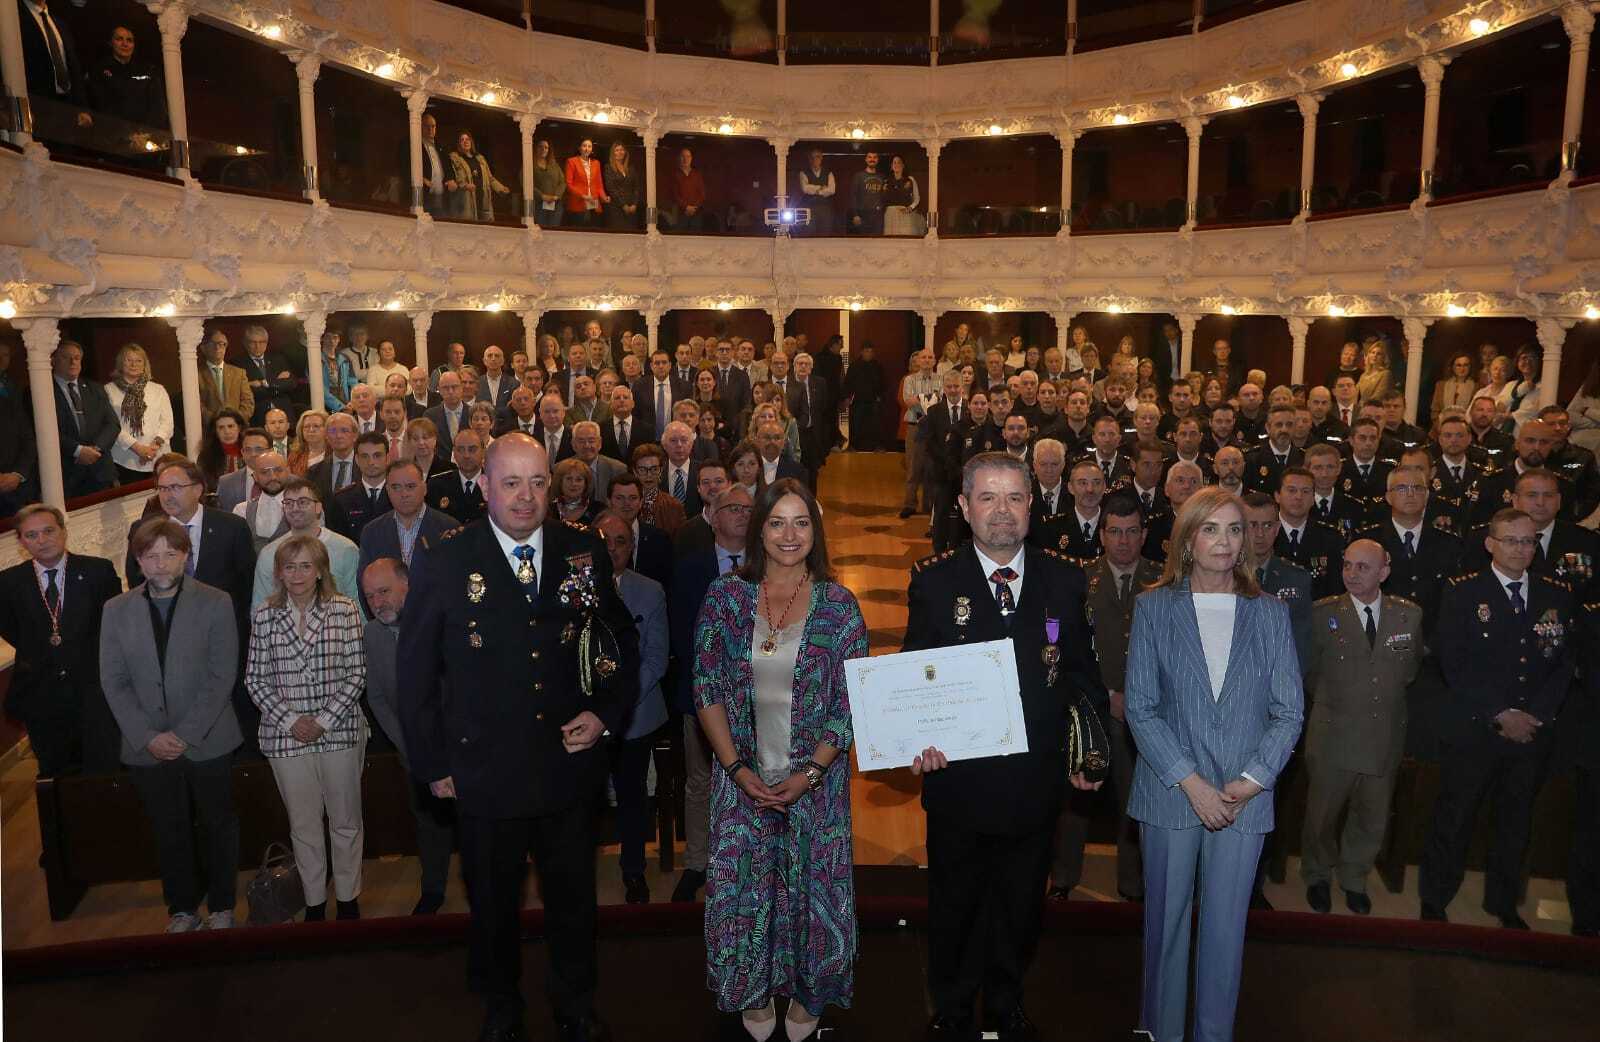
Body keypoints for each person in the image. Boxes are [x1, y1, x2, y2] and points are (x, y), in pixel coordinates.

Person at [398, 433, 639, 1042]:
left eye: (537, 482)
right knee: (493, 906)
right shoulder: (447, 557)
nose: (526, 497)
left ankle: (575, 1005)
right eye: (510, 483)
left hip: (567, 764)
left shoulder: (581, 551)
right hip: (482, 770)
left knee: (573, 902)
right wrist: (432, 763)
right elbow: (416, 671)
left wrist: (606, 714)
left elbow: (616, 645)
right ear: (483, 487)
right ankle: (502, 1008)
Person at [903, 453, 1106, 1042]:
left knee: (1021, 908)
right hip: (958, 783)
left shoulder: (1066, 578)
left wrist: (1089, 751)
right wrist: (919, 738)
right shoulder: (934, 579)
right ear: (964, 508)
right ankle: (954, 1006)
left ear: (1033, 505)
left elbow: (1082, 677)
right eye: (987, 499)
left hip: (1034, 782)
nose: (1002, 512)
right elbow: (916, 676)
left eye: (1014, 498)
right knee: (955, 905)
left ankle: (1007, 1000)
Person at [1123, 487, 1304, 1042]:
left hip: (1244, 801)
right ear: (1187, 539)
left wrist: (1251, 781)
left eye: (1234, 529)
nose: (1225, 542)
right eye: (1211, 529)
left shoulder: (1271, 612)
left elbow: (1290, 710)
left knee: (1226, 932)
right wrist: (1193, 784)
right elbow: (1140, 706)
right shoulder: (1154, 606)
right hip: (1172, 794)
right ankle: (1162, 1032)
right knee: (1166, 928)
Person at [691, 479, 866, 1041]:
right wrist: (737, 769)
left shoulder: (840, 605)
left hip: (814, 782)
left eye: (801, 523)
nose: (789, 536)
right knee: (745, 889)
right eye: (777, 522)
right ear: (758, 528)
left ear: (815, 533)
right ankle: (751, 990)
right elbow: (707, 688)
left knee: (813, 889)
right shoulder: (725, 597)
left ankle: (810, 992)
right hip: (740, 777)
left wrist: (810, 772)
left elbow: (849, 705)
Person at [1419, 509, 1577, 928]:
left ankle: (1503, 902)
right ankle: (1435, 899)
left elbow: (1563, 662)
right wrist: (1500, 713)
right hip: (1476, 729)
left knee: (1516, 822)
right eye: (1511, 540)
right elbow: (1454, 661)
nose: (1521, 549)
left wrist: (1536, 715)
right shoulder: (1463, 591)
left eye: (1529, 541)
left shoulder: (1555, 593)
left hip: (1532, 734)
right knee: (1455, 818)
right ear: (1490, 543)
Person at [100, 518, 241, 933]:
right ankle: (181, 908)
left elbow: (222, 675)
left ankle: (221, 907)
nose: (160, 564)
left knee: (217, 825)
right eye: (150, 556)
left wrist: (184, 734)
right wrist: (148, 736)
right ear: (138, 560)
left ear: (185, 556)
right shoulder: (115, 609)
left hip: (208, 737)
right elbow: (113, 680)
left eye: (170, 554)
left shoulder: (216, 602)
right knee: (169, 828)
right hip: (146, 744)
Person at [247, 535, 368, 922]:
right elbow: (255, 679)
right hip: (286, 738)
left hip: (339, 731)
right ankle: (314, 902)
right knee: (303, 825)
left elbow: (357, 673)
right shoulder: (265, 615)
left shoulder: (345, 609)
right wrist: (291, 721)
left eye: (305, 566)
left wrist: (323, 721)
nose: (297, 574)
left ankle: (348, 898)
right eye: (289, 566)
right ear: (278, 573)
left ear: (320, 571)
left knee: (345, 820)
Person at [1299, 539, 1423, 916]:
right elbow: (1308, 672)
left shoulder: (1409, 615)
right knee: (1321, 816)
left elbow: (1411, 669)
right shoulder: (1322, 614)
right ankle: (1317, 875)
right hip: (1334, 733)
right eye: (1347, 565)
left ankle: (1354, 877)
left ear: (1384, 571)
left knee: (1371, 817)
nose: (1352, 574)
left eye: (1363, 567)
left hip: (1384, 735)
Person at [1051, 492, 1160, 903]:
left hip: (1145, 713)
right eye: (1115, 531)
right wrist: (1108, 694)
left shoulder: (1164, 580)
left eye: (1132, 532)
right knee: (1076, 801)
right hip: (1090, 711)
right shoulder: (1078, 578)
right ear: (1102, 534)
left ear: (1144, 533)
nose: (1124, 541)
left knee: (1135, 802)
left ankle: (1132, 887)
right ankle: (1063, 880)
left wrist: (1136, 698)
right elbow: (1068, 649)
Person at [667, 483, 754, 904]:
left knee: (755, 778)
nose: (742, 514)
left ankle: (749, 861)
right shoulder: (688, 568)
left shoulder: (771, 566)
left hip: (758, 701)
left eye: (749, 508)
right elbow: (681, 637)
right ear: (714, 517)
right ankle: (697, 863)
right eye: (732, 508)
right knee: (700, 783)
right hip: (701, 697)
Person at [360, 556, 456, 914]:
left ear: (408, 585)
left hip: (460, 746)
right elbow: (378, 699)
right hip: (412, 751)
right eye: (370, 596)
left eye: (384, 592)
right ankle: (432, 890)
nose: (378, 602)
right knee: (428, 823)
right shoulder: (371, 634)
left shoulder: (443, 621)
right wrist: (413, 747)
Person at [0, 504, 123, 777]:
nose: (42, 540)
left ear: (63, 532)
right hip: (41, 698)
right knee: (55, 776)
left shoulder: (98, 572)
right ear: (21, 542)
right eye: (31, 535)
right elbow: (14, 631)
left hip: (94, 693)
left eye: (48, 531)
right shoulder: (8, 583)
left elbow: (112, 630)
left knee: (102, 771)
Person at [588, 511, 669, 906]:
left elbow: (656, 660)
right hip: (584, 719)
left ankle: (634, 871)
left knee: (633, 796)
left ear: (631, 548)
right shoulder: (571, 590)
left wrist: (616, 707)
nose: (612, 549)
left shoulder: (650, 591)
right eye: (604, 541)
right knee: (584, 798)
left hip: (635, 715)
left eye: (621, 541)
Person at [251, 478, 360, 608]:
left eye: (303, 502)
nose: (295, 508)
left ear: (318, 508)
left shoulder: (346, 549)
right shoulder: (269, 553)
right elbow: (259, 607)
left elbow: (357, 604)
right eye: (289, 503)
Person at [357, 460, 458, 590]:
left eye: (410, 486)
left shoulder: (448, 527)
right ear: (387, 490)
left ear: (424, 488)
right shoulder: (372, 532)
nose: (404, 494)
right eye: (396, 487)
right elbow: (364, 585)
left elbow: (456, 581)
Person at [49, 340, 119, 496]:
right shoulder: (41, 390)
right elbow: (43, 431)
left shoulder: (95, 388)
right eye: (66, 357)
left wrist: (95, 449)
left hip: (100, 471)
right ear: (53, 360)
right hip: (67, 475)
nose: (73, 362)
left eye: (77, 357)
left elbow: (112, 424)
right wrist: (78, 450)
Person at [103, 342, 173, 485]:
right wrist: (138, 448)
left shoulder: (158, 389)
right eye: (129, 360)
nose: (134, 364)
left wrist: (152, 449)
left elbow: (167, 423)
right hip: (124, 459)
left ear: (144, 365)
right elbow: (112, 425)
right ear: (121, 363)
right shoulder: (108, 390)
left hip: (158, 457)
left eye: (138, 360)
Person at [233, 449, 291, 553]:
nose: (273, 477)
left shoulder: (305, 508)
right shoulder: (241, 510)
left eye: (278, 470)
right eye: (264, 472)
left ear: (288, 472)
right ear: (255, 477)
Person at [448, 131, 512, 222]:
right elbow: (453, 179)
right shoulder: (454, 158)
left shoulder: (480, 158)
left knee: (485, 231)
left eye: (467, 139)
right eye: (462, 140)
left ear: (471, 142)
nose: (465, 142)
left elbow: (490, 178)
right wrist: (465, 185)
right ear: (458, 143)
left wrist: (501, 188)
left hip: (482, 200)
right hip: (466, 202)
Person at [198, 329, 254, 424]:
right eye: (213, 344)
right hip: (209, 430)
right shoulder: (196, 375)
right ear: (203, 348)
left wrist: (236, 420)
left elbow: (248, 402)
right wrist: (215, 421)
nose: (218, 347)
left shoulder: (239, 373)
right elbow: (196, 405)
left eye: (222, 344)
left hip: (237, 429)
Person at [842, 342, 885, 451]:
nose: (869, 354)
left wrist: (880, 395)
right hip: (858, 400)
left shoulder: (877, 366)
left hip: (873, 400)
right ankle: (853, 446)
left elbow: (883, 382)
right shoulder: (854, 366)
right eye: (866, 351)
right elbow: (848, 382)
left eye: (871, 351)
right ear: (861, 352)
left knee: (875, 424)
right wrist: (847, 397)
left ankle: (876, 445)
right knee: (856, 424)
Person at [565, 138, 608, 227]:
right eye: (584, 146)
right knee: (579, 234)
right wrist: (583, 195)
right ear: (579, 148)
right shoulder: (572, 161)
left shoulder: (596, 163)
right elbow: (569, 184)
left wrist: (604, 197)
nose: (587, 148)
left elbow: (599, 185)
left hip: (593, 202)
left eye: (589, 146)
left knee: (593, 234)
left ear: (592, 149)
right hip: (578, 202)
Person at [664, 146, 708, 231]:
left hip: (696, 213)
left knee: (695, 239)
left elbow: (702, 194)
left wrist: (694, 207)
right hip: (680, 213)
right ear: (679, 158)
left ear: (691, 158)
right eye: (683, 156)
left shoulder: (697, 174)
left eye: (688, 156)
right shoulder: (675, 175)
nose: (685, 159)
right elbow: (674, 194)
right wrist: (686, 207)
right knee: (680, 238)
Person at [601, 142, 641, 230]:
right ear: (613, 153)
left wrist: (634, 204)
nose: (620, 152)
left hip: (632, 209)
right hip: (616, 208)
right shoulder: (608, 168)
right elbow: (611, 188)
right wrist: (623, 205)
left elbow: (636, 187)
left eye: (622, 150)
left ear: (625, 152)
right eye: (617, 150)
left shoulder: (631, 168)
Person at [795, 148, 836, 233]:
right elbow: (805, 189)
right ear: (809, 159)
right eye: (812, 157)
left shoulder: (828, 173)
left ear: (821, 158)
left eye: (817, 157)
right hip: (810, 207)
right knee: (810, 232)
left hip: (825, 208)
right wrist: (821, 187)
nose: (815, 159)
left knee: (825, 232)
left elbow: (832, 190)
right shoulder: (803, 173)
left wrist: (814, 190)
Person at [881, 153, 923, 236]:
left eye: (899, 162)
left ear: (903, 165)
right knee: (891, 240)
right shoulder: (886, 181)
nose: (896, 165)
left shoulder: (910, 180)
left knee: (904, 239)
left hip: (904, 214)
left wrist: (910, 208)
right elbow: (882, 199)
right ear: (891, 166)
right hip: (890, 215)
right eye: (894, 163)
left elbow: (917, 198)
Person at [848, 151, 887, 234]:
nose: (872, 159)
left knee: (877, 244)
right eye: (869, 157)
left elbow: (884, 197)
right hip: (862, 215)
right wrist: (855, 214)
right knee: (863, 244)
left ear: (878, 160)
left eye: (874, 157)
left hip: (878, 217)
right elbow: (853, 196)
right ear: (866, 159)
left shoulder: (882, 177)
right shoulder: (858, 176)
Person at [418, 112, 449, 216]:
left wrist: (450, 180)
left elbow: (448, 167)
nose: (430, 129)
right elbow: (404, 167)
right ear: (420, 127)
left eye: (433, 126)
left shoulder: (441, 147)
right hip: (423, 195)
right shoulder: (414, 144)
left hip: (441, 197)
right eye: (427, 126)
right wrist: (420, 178)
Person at [531, 139, 566, 226]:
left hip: (555, 204)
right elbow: (527, 184)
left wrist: (556, 196)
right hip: (539, 204)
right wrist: (542, 196)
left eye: (546, 147)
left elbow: (563, 182)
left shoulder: (554, 165)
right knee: (541, 232)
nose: (543, 149)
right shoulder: (530, 164)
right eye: (540, 147)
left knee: (553, 232)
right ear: (535, 148)